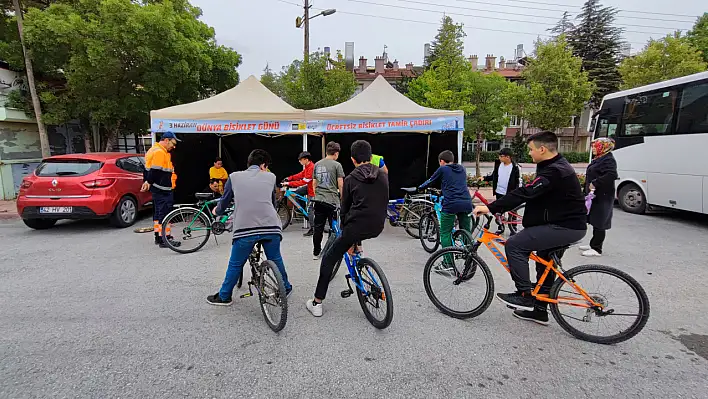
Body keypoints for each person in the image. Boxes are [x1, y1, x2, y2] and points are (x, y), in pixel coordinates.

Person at [472, 131, 587, 325]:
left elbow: (527, 191)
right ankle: (540, 311)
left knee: (515, 245)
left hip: (564, 227)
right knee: (544, 265)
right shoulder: (552, 166)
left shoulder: (554, 171)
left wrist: (491, 207)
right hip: (564, 224)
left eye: (531, 149)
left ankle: (525, 295)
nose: (530, 153)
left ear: (542, 149)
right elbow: (536, 195)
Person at [306, 140, 389, 317]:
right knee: (358, 227)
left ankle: (317, 302)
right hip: (378, 226)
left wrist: (347, 235)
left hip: (356, 227)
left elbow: (345, 210)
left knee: (328, 259)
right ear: (371, 156)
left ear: (352, 159)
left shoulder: (351, 179)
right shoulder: (383, 175)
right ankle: (358, 247)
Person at [207, 149, 292, 305]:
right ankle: (285, 287)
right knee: (275, 258)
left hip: (245, 229)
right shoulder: (271, 177)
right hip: (271, 226)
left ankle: (224, 296)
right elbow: (272, 203)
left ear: (249, 163)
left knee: (235, 263)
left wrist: (216, 211)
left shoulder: (234, 177)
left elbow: (224, 202)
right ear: (263, 165)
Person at [419, 150, 473, 263]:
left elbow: (431, 180)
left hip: (451, 203)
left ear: (442, 161)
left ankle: (447, 263)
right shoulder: (461, 168)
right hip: (467, 202)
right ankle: (470, 258)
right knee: (466, 231)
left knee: (445, 232)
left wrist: (419, 188)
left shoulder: (443, 168)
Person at [580, 138, 618, 257]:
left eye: (596, 146)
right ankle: (593, 243)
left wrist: (595, 183)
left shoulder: (609, 159)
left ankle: (597, 248)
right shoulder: (600, 158)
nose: (594, 149)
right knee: (593, 218)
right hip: (594, 195)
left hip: (603, 195)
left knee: (600, 221)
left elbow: (612, 175)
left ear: (604, 147)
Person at [141, 131, 180, 248]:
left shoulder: (155, 150)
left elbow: (147, 170)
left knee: (158, 214)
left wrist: (148, 182)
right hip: (162, 189)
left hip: (158, 188)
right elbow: (155, 171)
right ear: (167, 140)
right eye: (173, 143)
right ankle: (165, 238)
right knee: (165, 214)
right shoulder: (159, 152)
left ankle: (159, 236)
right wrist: (149, 181)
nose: (174, 146)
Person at [312, 141, 345, 260]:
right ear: (336, 153)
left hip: (319, 200)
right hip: (332, 201)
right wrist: (342, 197)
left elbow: (314, 183)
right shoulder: (337, 165)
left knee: (318, 227)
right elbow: (340, 184)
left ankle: (316, 252)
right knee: (334, 227)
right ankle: (333, 252)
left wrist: (318, 194)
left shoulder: (317, 164)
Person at [482, 147, 522, 234]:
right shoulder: (498, 164)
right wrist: (484, 178)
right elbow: (494, 176)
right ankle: (501, 226)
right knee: (499, 211)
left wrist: (516, 193)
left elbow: (517, 181)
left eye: (501, 156)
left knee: (512, 211)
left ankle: (513, 228)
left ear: (508, 157)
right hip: (499, 191)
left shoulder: (515, 167)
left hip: (510, 193)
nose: (499, 158)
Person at [283, 151, 315, 236]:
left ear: (306, 159)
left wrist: (289, 183)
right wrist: (289, 178)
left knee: (310, 209)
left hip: (313, 190)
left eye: (300, 160)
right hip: (309, 186)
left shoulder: (311, 168)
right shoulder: (307, 166)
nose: (299, 161)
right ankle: (303, 210)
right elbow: (300, 175)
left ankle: (313, 228)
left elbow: (303, 181)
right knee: (297, 193)